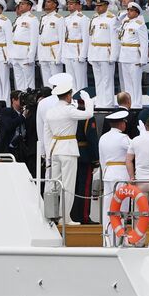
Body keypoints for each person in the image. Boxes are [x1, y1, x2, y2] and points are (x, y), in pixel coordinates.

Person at [43, 76, 95, 225]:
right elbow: (89, 114)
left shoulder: (50, 112)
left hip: (54, 149)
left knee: (53, 184)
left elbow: (47, 136)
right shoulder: (69, 110)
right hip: (68, 150)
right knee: (68, 185)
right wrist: (88, 100)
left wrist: (48, 155)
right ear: (67, 95)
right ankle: (65, 217)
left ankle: (50, 215)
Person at [97, 109, 134, 246]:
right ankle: (120, 239)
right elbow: (134, 150)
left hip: (108, 174)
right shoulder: (123, 138)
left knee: (108, 208)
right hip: (121, 174)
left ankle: (107, 240)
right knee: (122, 209)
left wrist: (105, 172)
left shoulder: (103, 138)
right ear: (121, 124)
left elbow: (102, 159)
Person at [88, 0, 120, 107]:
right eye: (97, 5)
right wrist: (90, 55)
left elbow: (115, 39)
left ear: (106, 5)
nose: (98, 8)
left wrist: (113, 56)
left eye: (100, 5)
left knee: (107, 80)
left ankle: (108, 103)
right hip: (95, 52)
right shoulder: (94, 19)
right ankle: (100, 101)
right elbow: (91, 38)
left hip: (106, 52)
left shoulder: (112, 19)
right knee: (98, 80)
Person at [8, 0, 39, 93]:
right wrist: (11, 55)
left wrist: (31, 55)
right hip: (16, 54)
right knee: (19, 83)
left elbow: (34, 39)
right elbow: (13, 38)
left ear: (29, 6)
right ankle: (20, 103)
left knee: (29, 83)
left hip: (25, 54)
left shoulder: (32, 19)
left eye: (23, 4)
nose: (20, 6)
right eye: (20, 4)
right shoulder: (18, 19)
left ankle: (30, 103)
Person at [118, 1, 147, 105]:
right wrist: (121, 17)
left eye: (131, 10)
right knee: (127, 84)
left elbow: (144, 43)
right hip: (124, 56)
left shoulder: (140, 25)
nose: (128, 12)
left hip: (135, 57)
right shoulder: (125, 23)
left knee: (135, 83)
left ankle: (137, 104)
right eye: (128, 10)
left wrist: (143, 59)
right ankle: (129, 103)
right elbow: (115, 29)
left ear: (137, 12)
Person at [61, 0, 89, 94]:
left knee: (80, 80)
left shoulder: (83, 19)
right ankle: (72, 98)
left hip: (78, 51)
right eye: (68, 3)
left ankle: (83, 100)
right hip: (68, 51)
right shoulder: (66, 19)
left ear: (78, 5)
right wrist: (63, 55)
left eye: (72, 4)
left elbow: (86, 38)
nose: (69, 5)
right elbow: (64, 38)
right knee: (70, 80)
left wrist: (83, 55)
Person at [37, 0, 64, 83]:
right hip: (44, 53)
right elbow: (40, 37)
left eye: (49, 2)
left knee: (56, 80)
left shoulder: (59, 18)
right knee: (46, 81)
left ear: (55, 4)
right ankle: (48, 96)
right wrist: (39, 55)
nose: (46, 4)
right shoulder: (43, 18)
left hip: (54, 52)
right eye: (46, 2)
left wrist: (59, 56)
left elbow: (62, 39)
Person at [0, 89, 29, 163]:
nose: (22, 101)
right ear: (13, 100)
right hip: (8, 148)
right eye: (20, 99)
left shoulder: (26, 112)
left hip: (22, 148)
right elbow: (9, 126)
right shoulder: (6, 111)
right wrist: (23, 116)